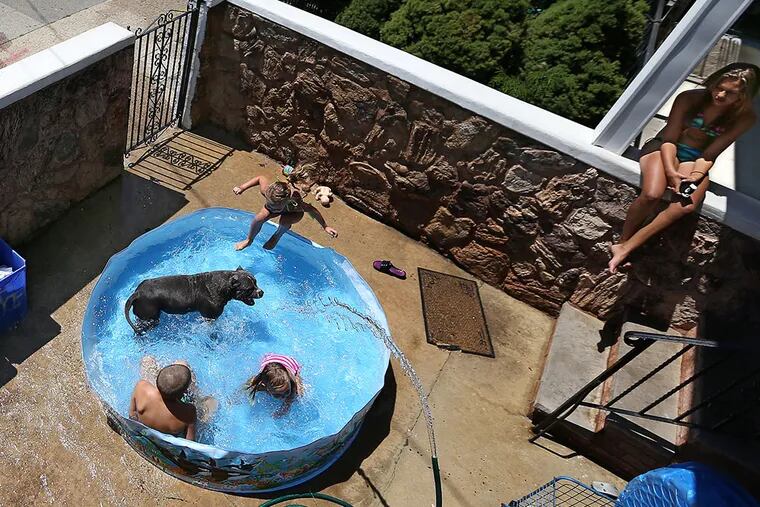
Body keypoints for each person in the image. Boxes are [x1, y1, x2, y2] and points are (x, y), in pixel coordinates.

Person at [609, 63, 759, 273]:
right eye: (719, 87)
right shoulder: (689, 99)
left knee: (685, 206)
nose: (720, 94)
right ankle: (623, 240)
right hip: (663, 147)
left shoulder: (744, 118)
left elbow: (710, 154)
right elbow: (669, 139)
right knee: (652, 194)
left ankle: (627, 247)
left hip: (696, 158)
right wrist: (671, 172)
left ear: (743, 96)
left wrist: (695, 176)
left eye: (730, 92)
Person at [232, 175, 338, 251]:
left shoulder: (295, 204)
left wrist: (325, 226)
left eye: (274, 205)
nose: (271, 206)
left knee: (284, 221)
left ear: (286, 201)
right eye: (269, 202)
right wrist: (242, 187)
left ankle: (277, 235)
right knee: (258, 218)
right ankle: (249, 240)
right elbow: (260, 178)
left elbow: (312, 210)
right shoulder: (267, 191)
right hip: (277, 209)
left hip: (292, 212)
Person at [129, 357, 218, 440]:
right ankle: (196, 395)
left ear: (156, 382)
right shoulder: (188, 411)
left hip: (146, 423)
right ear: (183, 394)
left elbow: (132, 415)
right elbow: (189, 441)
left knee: (147, 360)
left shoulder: (141, 386)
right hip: (172, 428)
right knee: (211, 402)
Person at [244, 353, 304, 418]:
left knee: (299, 392)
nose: (283, 397)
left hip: (290, 362)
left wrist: (281, 413)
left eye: (287, 391)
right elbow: (247, 386)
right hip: (270, 360)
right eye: (277, 395)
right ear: (266, 387)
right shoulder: (261, 385)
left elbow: (287, 406)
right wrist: (236, 397)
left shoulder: (292, 384)